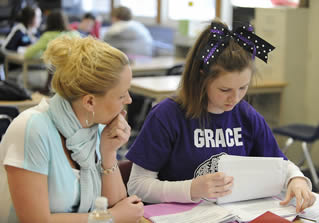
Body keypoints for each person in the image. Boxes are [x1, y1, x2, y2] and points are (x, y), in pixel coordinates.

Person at [126, 20, 316, 213]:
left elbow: (281, 165)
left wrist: (296, 179)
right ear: (201, 78)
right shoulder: (167, 116)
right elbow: (137, 185)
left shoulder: (246, 115)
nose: (235, 98)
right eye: (224, 89)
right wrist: (190, 189)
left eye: (243, 87)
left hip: (231, 215)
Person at [0, 35, 144, 223]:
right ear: (90, 101)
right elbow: (36, 220)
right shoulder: (32, 129)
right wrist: (110, 218)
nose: (129, 101)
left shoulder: (97, 127)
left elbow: (116, 205)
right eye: (121, 96)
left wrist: (108, 153)